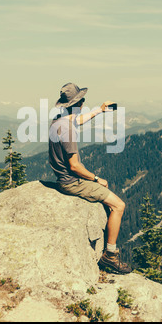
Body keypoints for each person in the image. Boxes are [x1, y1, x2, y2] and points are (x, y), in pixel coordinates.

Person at [49, 82, 131, 274]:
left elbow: (77, 120)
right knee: (119, 206)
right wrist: (96, 179)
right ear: (76, 104)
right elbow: (75, 166)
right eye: (82, 100)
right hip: (72, 182)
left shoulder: (59, 121)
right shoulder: (67, 130)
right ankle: (110, 256)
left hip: (63, 178)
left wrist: (100, 110)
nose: (84, 103)